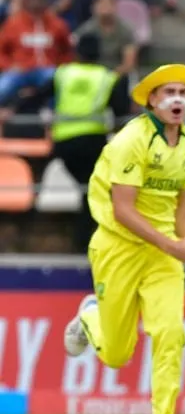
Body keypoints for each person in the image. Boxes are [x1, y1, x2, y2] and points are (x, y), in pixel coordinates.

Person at [62, 63, 185, 414]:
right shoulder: (130, 140)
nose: (177, 99)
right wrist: (172, 246)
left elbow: (181, 206)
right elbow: (122, 211)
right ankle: (90, 316)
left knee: (171, 334)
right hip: (117, 248)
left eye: (184, 94)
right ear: (152, 100)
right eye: (168, 92)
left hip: (162, 257)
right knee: (117, 355)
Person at [40, 31, 131, 253]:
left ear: (76, 51)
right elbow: (121, 111)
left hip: (63, 143)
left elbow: (40, 96)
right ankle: (86, 244)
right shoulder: (107, 77)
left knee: (87, 190)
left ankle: (85, 243)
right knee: (91, 191)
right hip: (93, 142)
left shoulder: (63, 74)